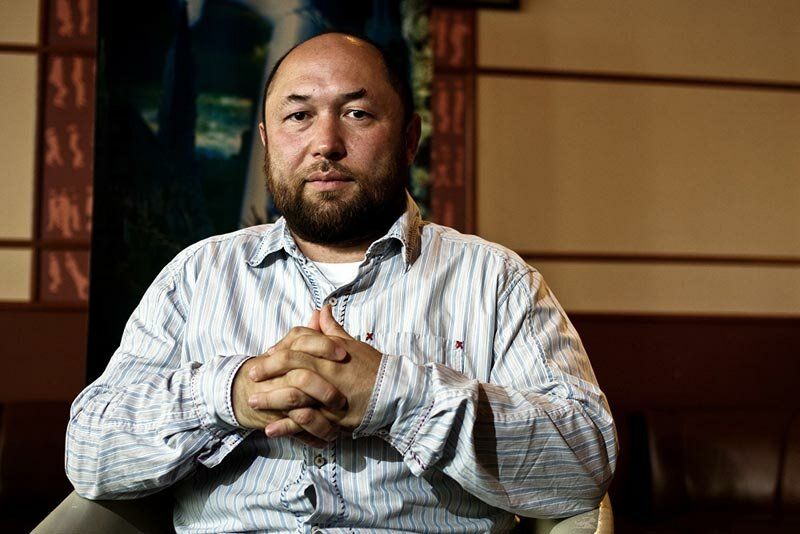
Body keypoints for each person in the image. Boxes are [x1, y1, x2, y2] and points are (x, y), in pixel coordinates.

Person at [66, 32, 617, 532]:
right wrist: (232, 395)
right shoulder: (197, 275)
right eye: (298, 116)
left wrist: (396, 395)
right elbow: (88, 452)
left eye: (357, 113)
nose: (326, 142)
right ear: (267, 141)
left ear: (409, 139)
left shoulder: (496, 280)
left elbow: (584, 464)